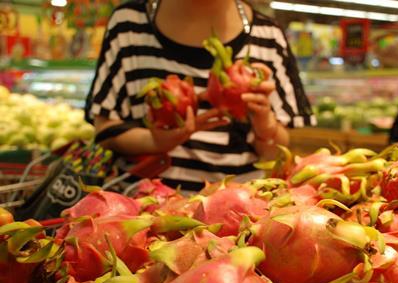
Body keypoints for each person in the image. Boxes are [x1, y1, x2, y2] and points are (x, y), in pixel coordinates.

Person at [85, 0, 315, 192]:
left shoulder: (269, 37)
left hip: (237, 221)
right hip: (143, 214)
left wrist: (266, 129)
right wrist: (156, 141)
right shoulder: (128, 24)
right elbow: (105, 130)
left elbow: (277, 154)